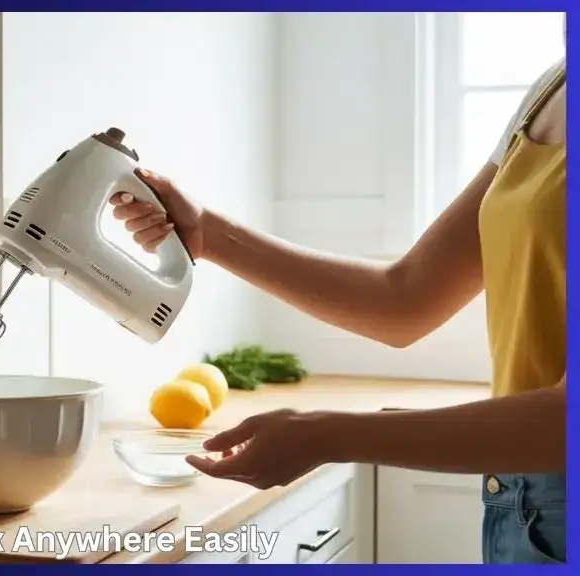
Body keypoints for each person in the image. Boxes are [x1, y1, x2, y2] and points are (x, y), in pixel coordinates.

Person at [110, 35, 566, 565]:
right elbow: (406, 299)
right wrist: (209, 235)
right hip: (519, 500)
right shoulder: (551, 86)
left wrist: (326, 434)